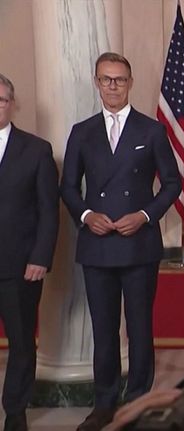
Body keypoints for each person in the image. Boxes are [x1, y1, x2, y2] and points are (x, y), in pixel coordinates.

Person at [60, 52, 181, 431]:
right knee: (104, 329)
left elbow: (172, 183)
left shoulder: (152, 130)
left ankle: (139, 402)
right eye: (106, 79)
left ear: (130, 83)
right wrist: (86, 215)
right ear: (97, 82)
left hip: (138, 243)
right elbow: (68, 187)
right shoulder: (82, 131)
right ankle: (105, 403)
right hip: (97, 244)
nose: (113, 86)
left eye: (120, 79)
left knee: (141, 328)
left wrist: (144, 214)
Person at [0, 73, 59, 431]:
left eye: (1, 100)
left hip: (20, 265)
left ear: (12, 104)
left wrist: (40, 257)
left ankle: (15, 411)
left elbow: (49, 211)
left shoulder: (37, 150)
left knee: (21, 342)